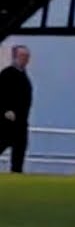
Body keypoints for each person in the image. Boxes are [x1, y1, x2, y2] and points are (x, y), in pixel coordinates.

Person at [0, 46, 30, 174]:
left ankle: (16, 173)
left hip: (21, 121)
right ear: (15, 57)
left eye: (27, 56)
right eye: (22, 56)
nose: (25, 59)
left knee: (19, 152)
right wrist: (5, 110)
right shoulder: (7, 74)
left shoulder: (24, 75)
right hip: (6, 122)